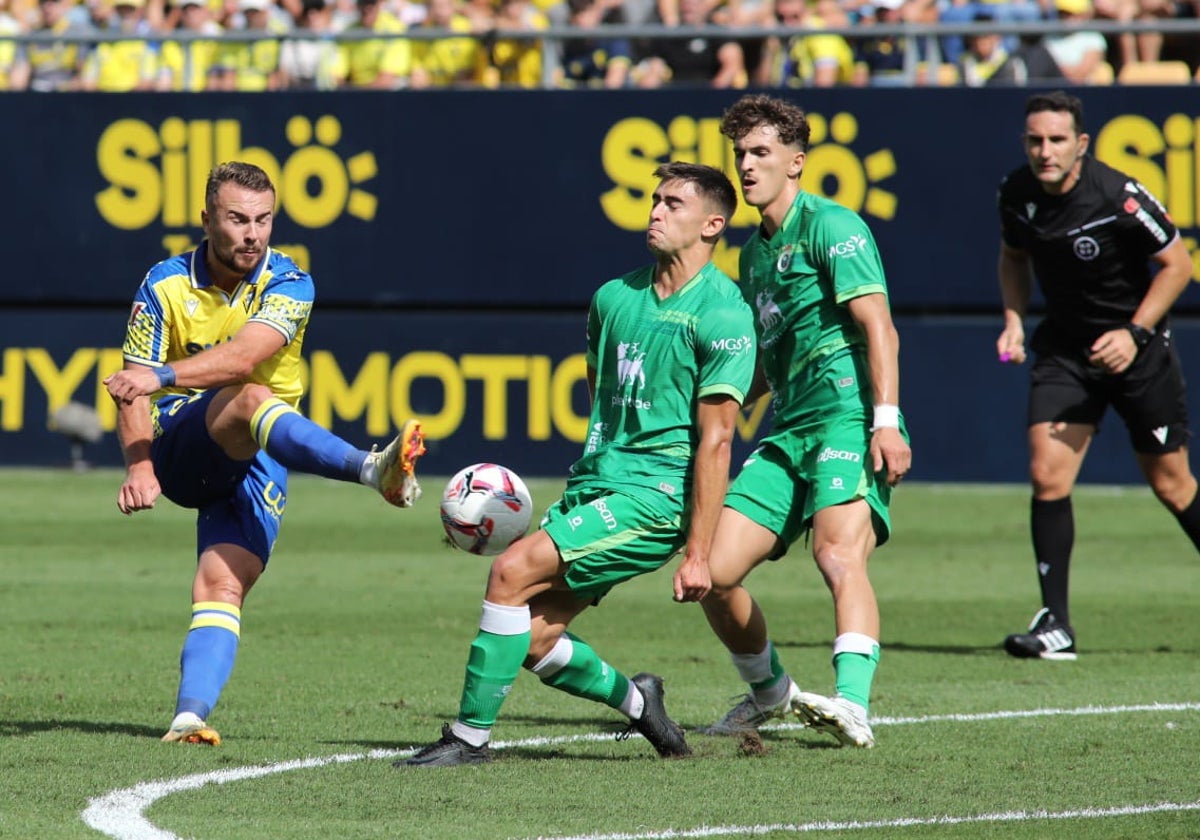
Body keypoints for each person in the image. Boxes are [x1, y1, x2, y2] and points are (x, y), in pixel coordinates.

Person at [399, 161, 756, 768]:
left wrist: (698, 552)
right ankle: (643, 706)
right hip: (598, 485)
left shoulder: (724, 315)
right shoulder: (613, 298)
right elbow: (603, 395)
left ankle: (468, 740)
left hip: (655, 498)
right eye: (655, 200)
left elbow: (717, 442)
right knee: (533, 641)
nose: (656, 211)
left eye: (674, 204)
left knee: (509, 574)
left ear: (712, 224)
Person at [105, 162, 426, 745]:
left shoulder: (290, 281)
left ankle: (188, 716)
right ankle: (370, 468)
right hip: (185, 444)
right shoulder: (164, 284)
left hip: (258, 457)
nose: (253, 233)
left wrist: (162, 374)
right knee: (249, 398)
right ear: (207, 220)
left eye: (263, 219)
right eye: (237, 219)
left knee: (222, 586)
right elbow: (132, 386)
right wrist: (140, 463)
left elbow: (240, 355)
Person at [696, 94, 911, 749]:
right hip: (789, 428)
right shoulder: (753, 256)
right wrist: (715, 412)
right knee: (711, 570)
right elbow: (768, 361)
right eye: (740, 155)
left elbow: (880, 328)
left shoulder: (834, 227)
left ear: (797, 161)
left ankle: (852, 705)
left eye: (761, 153)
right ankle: (771, 693)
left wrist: (886, 421)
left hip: (847, 418)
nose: (747, 166)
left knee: (837, 555)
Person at [996, 91, 1197, 661]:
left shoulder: (1119, 195)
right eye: (1035, 139)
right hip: (1066, 351)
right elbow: (1013, 257)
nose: (1045, 150)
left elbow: (1178, 265)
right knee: (1047, 474)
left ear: (1081, 144)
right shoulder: (1015, 193)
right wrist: (1013, 320)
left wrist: (1133, 333)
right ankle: (1055, 625)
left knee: (1172, 484)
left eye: (1057, 140)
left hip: (1140, 352)